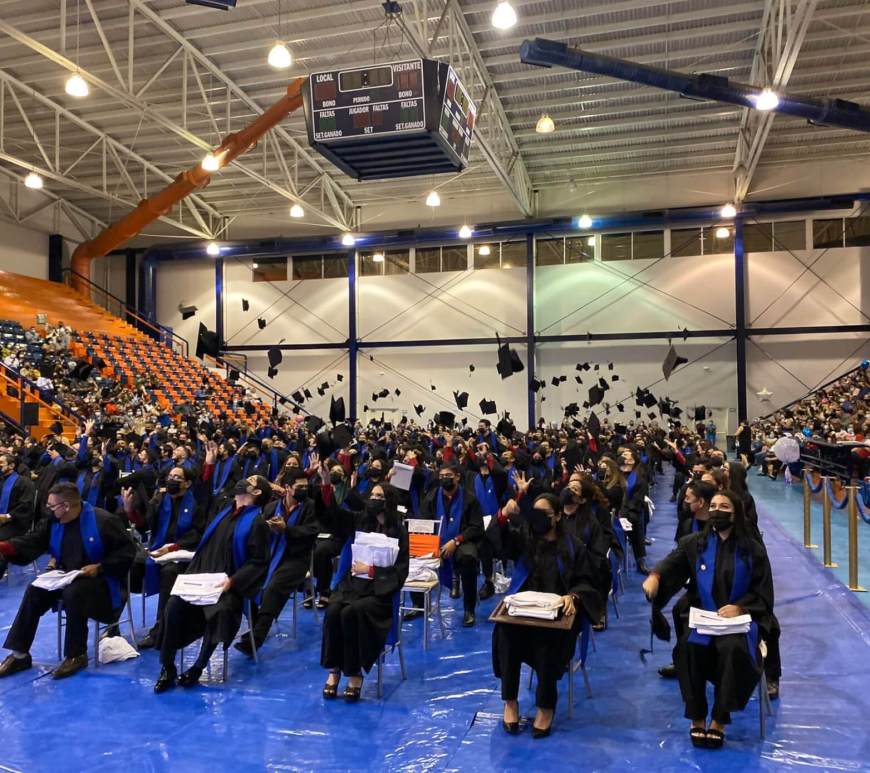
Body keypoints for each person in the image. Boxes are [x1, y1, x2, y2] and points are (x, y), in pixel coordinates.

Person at [642, 490, 775, 749]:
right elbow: (673, 562)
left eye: (724, 506)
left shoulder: (752, 550)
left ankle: (719, 719)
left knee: (732, 650)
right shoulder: (697, 543)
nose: (716, 511)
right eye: (713, 506)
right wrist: (655, 576)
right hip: (705, 618)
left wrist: (741, 608)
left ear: (736, 513)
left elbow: (763, 592)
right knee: (688, 648)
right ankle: (697, 716)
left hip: (739, 624)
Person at [493, 488, 603, 738]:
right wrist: (503, 515)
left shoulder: (573, 547)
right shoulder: (525, 540)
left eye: (545, 514)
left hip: (558, 618)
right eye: (536, 513)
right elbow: (498, 543)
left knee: (546, 642)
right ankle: (510, 701)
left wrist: (573, 596)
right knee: (505, 632)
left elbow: (587, 581)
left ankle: (545, 706)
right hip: (523, 613)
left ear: (557, 517)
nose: (539, 519)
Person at [0, 482, 135, 679]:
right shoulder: (53, 522)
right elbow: (32, 541)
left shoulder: (103, 521)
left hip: (104, 582)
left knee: (74, 593)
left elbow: (127, 552)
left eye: (52, 506)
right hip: (67, 577)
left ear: (66, 506)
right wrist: (4, 546)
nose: (49, 509)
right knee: (34, 590)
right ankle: (19, 654)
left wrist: (100, 567)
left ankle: (76, 654)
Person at [154, 475, 271, 693]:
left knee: (221, 611)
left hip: (228, 586)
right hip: (201, 578)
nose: (243, 481)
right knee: (173, 606)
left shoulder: (257, 523)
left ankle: (198, 667)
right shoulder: (223, 510)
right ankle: (168, 667)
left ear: (256, 493)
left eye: (250, 481)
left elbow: (259, 562)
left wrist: (233, 581)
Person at [320, 483, 408, 701]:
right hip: (353, 586)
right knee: (333, 611)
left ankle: (354, 673)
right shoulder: (360, 521)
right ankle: (334, 669)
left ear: (388, 500)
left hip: (379, 594)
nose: (374, 499)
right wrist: (326, 486)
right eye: (372, 495)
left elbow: (401, 572)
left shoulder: (399, 530)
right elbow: (334, 516)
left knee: (351, 613)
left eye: (379, 496)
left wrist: (371, 570)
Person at [235, 470, 319, 655]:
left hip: (296, 559)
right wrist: (267, 528)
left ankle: (257, 637)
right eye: (299, 487)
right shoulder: (272, 507)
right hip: (270, 555)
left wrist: (286, 529)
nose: (304, 490)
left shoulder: (311, 507)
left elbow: (311, 532)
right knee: (247, 580)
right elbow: (257, 530)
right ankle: (256, 625)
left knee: (274, 587)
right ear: (287, 488)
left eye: (306, 487)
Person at [125, 466, 207, 649]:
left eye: (177, 477)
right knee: (130, 564)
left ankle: (161, 629)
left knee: (169, 572)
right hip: (158, 549)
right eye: (170, 476)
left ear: (187, 483)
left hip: (184, 554)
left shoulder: (196, 504)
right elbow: (145, 525)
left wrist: (173, 547)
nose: (171, 480)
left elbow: (198, 534)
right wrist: (129, 510)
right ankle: (114, 624)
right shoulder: (160, 500)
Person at [419, 461, 484, 627]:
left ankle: (469, 609)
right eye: (441, 476)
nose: (444, 479)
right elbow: (425, 522)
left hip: (462, 540)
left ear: (457, 477)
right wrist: (434, 545)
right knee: (415, 558)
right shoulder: (432, 497)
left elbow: (476, 527)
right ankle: (418, 605)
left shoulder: (470, 499)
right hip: (437, 541)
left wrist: (456, 540)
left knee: (468, 558)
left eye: (448, 475)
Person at [0, 453, 35, 578]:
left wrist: (7, 516)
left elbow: (26, 506)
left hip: (16, 522)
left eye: (1, 463)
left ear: (11, 465)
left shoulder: (25, 483)